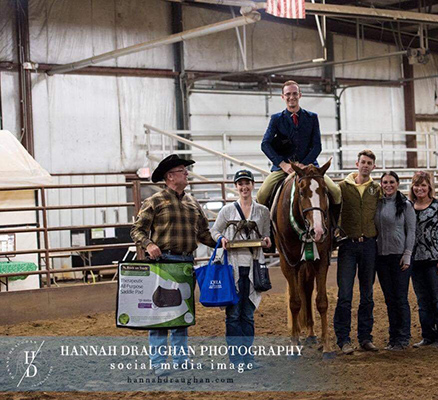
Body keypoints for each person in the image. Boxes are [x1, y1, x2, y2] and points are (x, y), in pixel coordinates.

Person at [130, 154, 217, 376]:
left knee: (181, 312)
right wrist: (149, 244)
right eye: (182, 170)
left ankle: (180, 359)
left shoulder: (192, 203)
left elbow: (205, 234)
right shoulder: (155, 201)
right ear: (170, 176)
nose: (186, 174)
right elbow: (137, 230)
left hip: (186, 262)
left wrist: (222, 243)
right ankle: (158, 361)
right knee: (159, 314)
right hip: (163, 262)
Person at [210, 170, 271, 369]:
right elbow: (215, 231)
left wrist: (267, 241)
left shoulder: (262, 211)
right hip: (232, 268)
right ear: (236, 187)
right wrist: (222, 239)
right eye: (240, 184)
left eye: (247, 183)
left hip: (253, 266)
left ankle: (248, 357)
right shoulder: (227, 211)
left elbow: (266, 235)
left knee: (248, 314)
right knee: (234, 315)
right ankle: (236, 359)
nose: (244, 187)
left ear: (253, 185)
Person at [257, 80, 341, 209]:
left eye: (295, 94)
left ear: (300, 95)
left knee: (335, 192)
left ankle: (334, 227)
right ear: (283, 97)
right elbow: (265, 144)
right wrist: (282, 164)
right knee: (262, 195)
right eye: (288, 94)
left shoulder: (312, 118)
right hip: (283, 168)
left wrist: (304, 164)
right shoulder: (276, 119)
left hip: (309, 166)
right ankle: (267, 228)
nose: (292, 97)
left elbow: (317, 146)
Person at [333, 149, 381, 354]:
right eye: (363, 162)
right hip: (348, 245)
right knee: (345, 294)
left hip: (369, 244)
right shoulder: (341, 188)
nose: (365, 165)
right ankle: (343, 339)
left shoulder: (376, 189)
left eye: (369, 163)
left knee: (367, 294)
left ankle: (365, 337)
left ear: (373, 167)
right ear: (356, 163)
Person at [410, 171, 438, 349]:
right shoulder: (409, 207)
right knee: (422, 301)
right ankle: (427, 335)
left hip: (435, 261)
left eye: (423, 185)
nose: (420, 188)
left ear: (429, 187)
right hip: (416, 262)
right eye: (417, 185)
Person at [375, 171, 416, 351]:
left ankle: (403, 336)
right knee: (389, 299)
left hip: (400, 257)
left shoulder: (406, 205)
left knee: (400, 298)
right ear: (381, 184)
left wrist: (407, 254)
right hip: (382, 257)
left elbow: (412, 231)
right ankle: (393, 335)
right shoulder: (377, 204)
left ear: (397, 184)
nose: (388, 185)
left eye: (392, 182)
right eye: (385, 182)